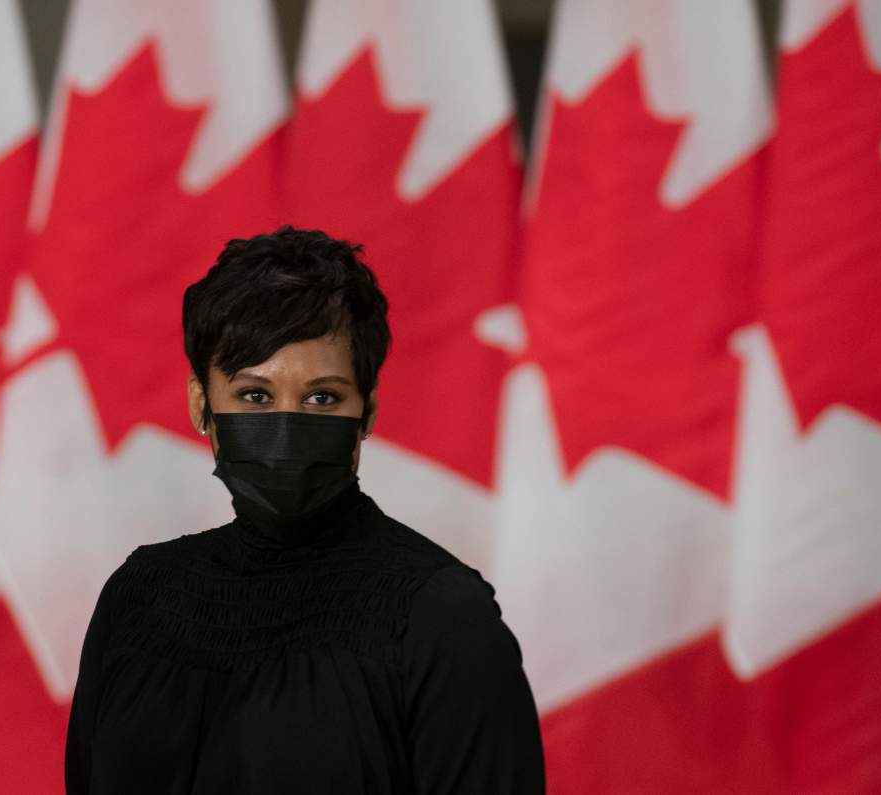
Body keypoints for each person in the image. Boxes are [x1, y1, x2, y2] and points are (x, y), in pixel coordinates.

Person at [64, 226, 545, 793]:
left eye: (322, 397)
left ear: (366, 412)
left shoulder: (442, 616)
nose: (286, 429)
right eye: (255, 396)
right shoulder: (139, 595)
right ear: (201, 404)